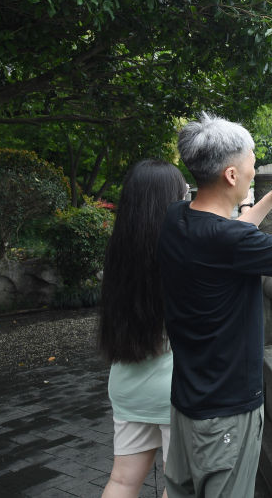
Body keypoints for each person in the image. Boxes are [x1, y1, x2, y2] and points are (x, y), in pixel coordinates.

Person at [157, 113, 272, 497]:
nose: (256, 166)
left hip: (187, 400)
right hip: (226, 412)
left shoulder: (177, 219)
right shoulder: (227, 241)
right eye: (251, 160)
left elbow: (233, 232)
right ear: (231, 175)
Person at [99, 159, 189, 498]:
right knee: (180, 486)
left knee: (122, 480)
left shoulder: (119, 252)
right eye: (183, 193)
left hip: (125, 383)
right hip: (172, 390)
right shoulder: (181, 251)